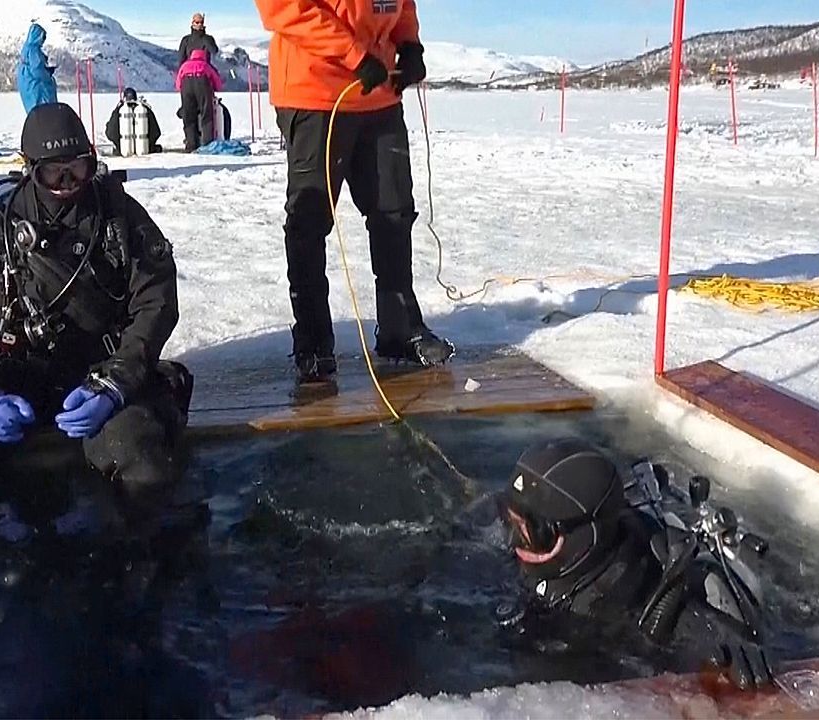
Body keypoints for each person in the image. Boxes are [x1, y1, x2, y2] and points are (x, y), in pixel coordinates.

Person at [0, 102, 192, 537]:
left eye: (79, 169)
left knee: (144, 462)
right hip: (13, 376)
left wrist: (117, 383)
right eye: (53, 173)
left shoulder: (121, 219)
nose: (67, 185)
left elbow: (156, 303)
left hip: (99, 378)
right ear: (30, 169)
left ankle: (141, 564)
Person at [255, 0, 454, 383]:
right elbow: (282, 8)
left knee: (394, 212)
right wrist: (354, 54)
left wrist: (408, 43)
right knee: (310, 219)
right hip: (316, 93)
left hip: (379, 93)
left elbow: (401, 5)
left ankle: (400, 328)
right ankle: (313, 342)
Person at [499, 439, 775, 690]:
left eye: (533, 532)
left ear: (585, 537)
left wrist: (722, 640)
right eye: (510, 519)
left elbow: (689, 622)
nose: (513, 541)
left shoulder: (635, 597)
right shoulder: (532, 554)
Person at [176, 49, 223, 152]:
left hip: (186, 86)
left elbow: (178, 83)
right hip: (202, 84)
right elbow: (217, 83)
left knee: (188, 116)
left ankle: (191, 144)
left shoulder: (184, 65)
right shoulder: (205, 65)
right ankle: (207, 144)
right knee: (206, 114)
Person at [105, 87, 163, 155]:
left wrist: (119, 145)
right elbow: (156, 132)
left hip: (122, 151)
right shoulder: (145, 109)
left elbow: (110, 133)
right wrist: (149, 144)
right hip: (146, 150)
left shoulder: (119, 111)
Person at [17, 22, 58, 114]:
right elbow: (37, 70)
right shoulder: (33, 50)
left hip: (28, 85)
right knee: (44, 112)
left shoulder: (27, 48)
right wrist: (47, 74)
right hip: (36, 89)